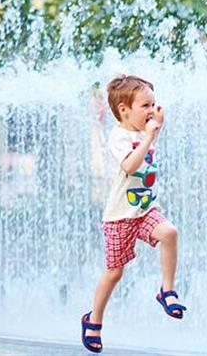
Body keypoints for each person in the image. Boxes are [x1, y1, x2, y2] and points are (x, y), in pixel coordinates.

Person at [81, 75, 187, 353]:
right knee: (115, 273)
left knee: (170, 232)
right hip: (119, 217)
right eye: (145, 105)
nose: (151, 111)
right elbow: (130, 165)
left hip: (144, 210)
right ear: (124, 110)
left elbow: (148, 145)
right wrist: (151, 134)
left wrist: (155, 129)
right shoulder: (119, 136)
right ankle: (93, 320)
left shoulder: (144, 133)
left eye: (153, 104)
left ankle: (167, 289)